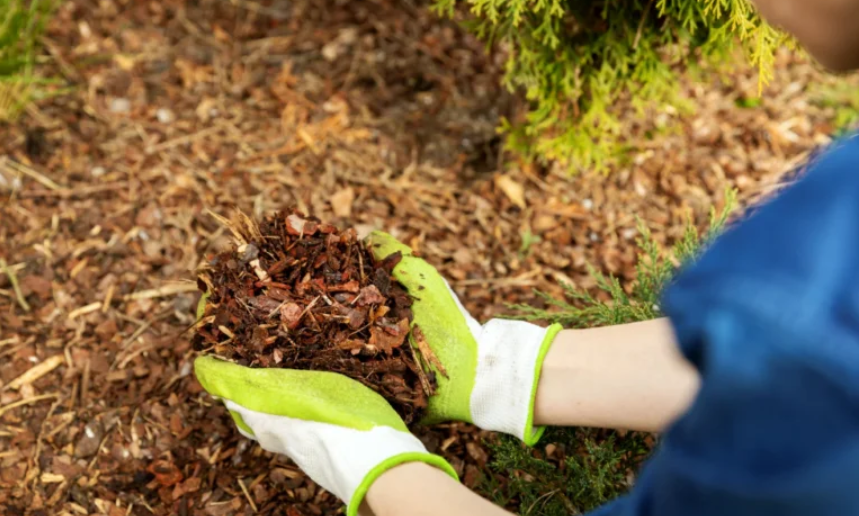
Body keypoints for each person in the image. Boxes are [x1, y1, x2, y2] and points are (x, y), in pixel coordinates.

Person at [194, 1, 859, 515]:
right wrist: (494, 370)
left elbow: (810, 364)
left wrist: (370, 465)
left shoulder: (799, 277)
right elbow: (804, 371)